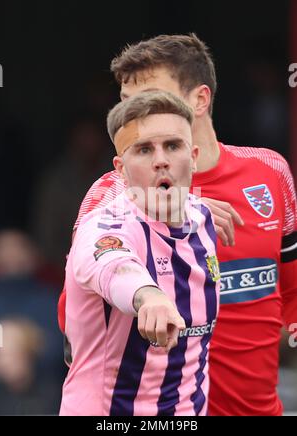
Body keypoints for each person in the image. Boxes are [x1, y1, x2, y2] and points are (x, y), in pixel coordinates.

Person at [58, 34, 297, 415]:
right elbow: (78, 319)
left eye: (150, 98)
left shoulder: (269, 172)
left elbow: (291, 292)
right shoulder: (110, 194)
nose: (136, 117)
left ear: (200, 100)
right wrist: (148, 293)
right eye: (126, 104)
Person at [60, 91, 220, 416]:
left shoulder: (204, 219)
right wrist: (149, 297)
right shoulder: (105, 225)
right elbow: (113, 263)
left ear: (193, 156)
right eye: (144, 149)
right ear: (120, 168)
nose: (160, 159)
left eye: (172, 146)